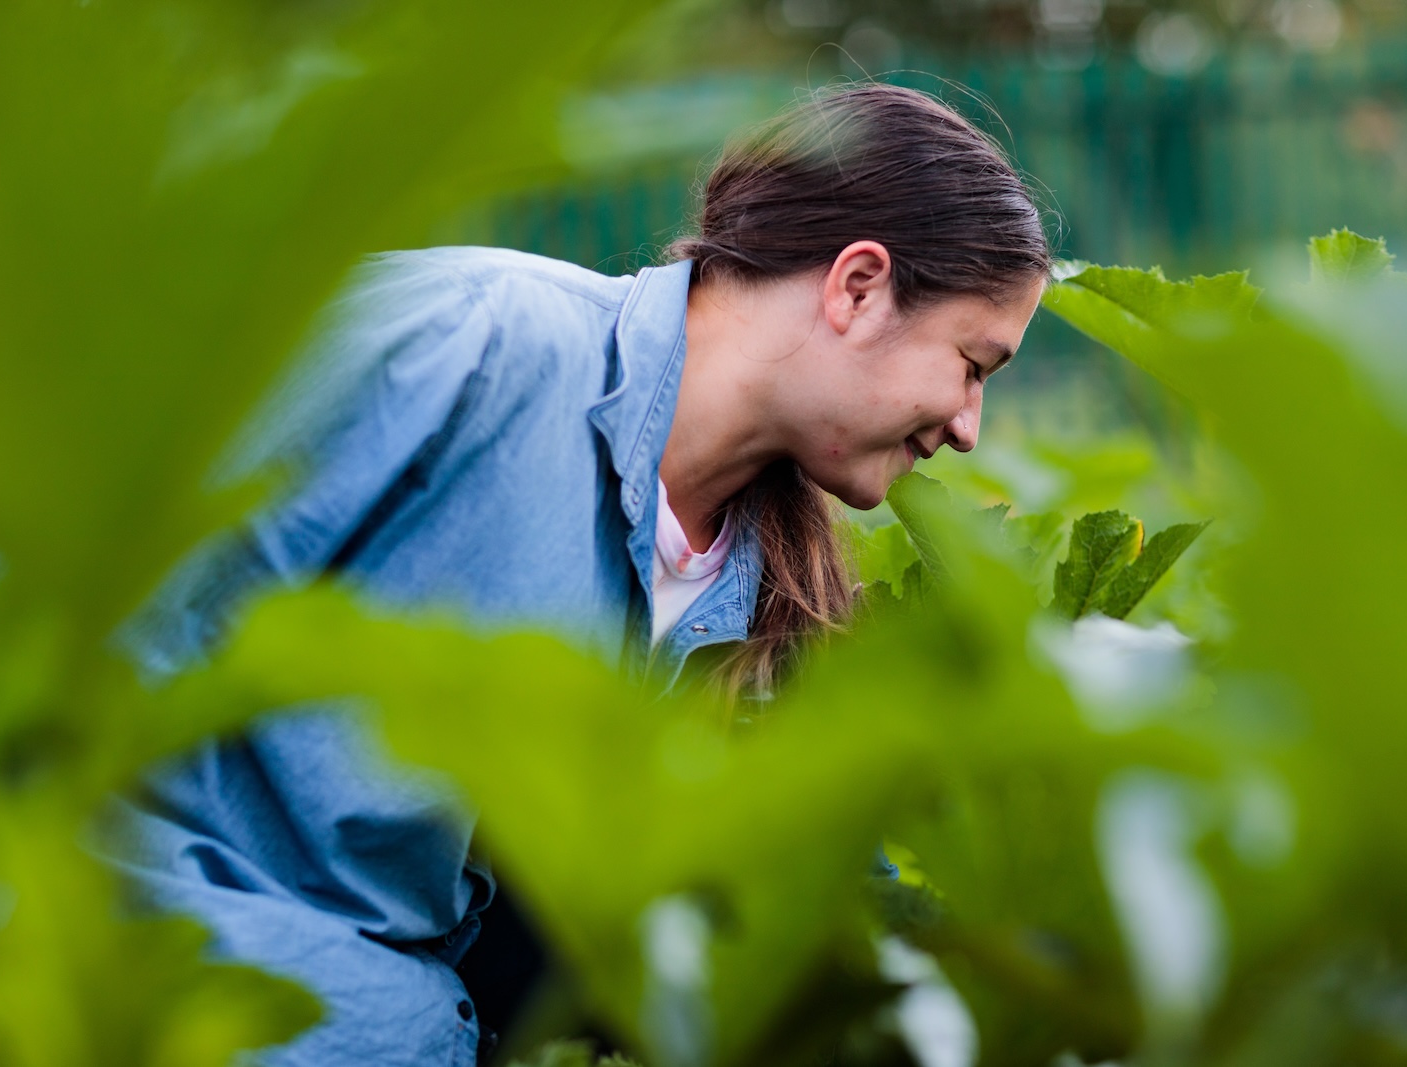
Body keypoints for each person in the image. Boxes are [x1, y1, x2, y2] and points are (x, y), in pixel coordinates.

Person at [108, 83, 1050, 1067]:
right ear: (857, 285)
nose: (966, 427)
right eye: (972, 363)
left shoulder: (760, 582)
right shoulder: (471, 341)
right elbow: (79, 585)